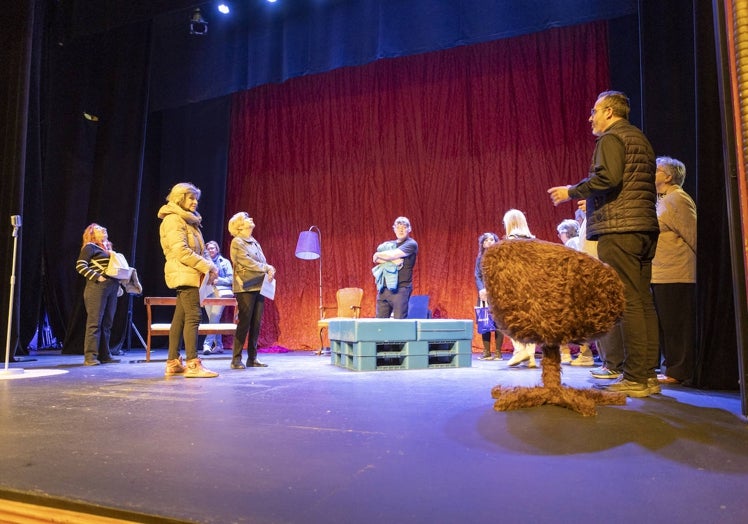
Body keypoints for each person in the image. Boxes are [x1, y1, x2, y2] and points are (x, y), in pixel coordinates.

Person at [548, 90, 660, 397]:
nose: (591, 117)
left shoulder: (612, 138)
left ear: (609, 112)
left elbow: (608, 178)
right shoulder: (639, 138)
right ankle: (647, 375)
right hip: (643, 227)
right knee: (643, 302)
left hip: (620, 228)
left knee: (630, 303)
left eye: (595, 111)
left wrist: (572, 190)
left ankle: (636, 377)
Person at [158, 182, 219, 378]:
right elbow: (181, 251)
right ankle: (193, 364)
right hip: (184, 272)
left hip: (193, 273)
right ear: (179, 198)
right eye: (190, 198)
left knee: (180, 318)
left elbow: (201, 251)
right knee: (194, 316)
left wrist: (212, 267)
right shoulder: (173, 220)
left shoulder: (190, 221)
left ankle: (173, 362)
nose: (194, 202)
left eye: (196, 199)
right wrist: (208, 266)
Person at [651, 156, 697, 385]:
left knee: (676, 324)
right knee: (666, 324)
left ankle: (678, 371)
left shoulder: (678, 199)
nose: (652, 173)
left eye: (656, 170)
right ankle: (670, 367)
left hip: (677, 273)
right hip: (661, 273)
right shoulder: (663, 200)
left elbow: (694, 235)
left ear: (668, 176)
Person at [228, 212, 275, 369]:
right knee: (245, 322)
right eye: (247, 218)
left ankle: (252, 358)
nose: (252, 219)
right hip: (245, 287)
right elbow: (246, 262)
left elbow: (261, 261)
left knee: (256, 323)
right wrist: (266, 268)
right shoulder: (237, 242)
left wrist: (268, 269)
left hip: (259, 286)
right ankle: (236, 359)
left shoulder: (254, 241)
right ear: (240, 225)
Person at [75, 224, 122, 366]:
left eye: (104, 228)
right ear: (92, 234)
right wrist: (97, 277)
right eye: (99, 229)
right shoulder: (90, 247)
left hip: (111, 287)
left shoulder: (107, 250)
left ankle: (105, 354)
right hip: (97, 287)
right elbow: (80, 265)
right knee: (94, 323)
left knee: (107, 323)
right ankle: (90, 356)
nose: (104, 229)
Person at [554, 218, 596, 366]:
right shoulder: (580, 242)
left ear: (565, 232)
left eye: (560, 233)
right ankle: (579, 354)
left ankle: (579, 355)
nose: (559, 237)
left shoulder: (572, 243)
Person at [501, 209, 538, 368]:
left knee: (510, 318)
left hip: (515, 284)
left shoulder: (510, 240)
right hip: (533, 285)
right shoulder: (533, 241)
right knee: (530, 320)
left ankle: (520, 350)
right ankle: (530, 357)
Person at [373, 216, 418, 319]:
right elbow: (375, 258)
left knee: (399, 325)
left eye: (404, 227)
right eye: (398, 227)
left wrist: (385, 256)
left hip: (400, 289)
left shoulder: (411, 244)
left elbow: (391, 255)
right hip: (384, 289)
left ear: (409, 229)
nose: (401, 230)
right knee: (380, 326)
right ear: (394, 229)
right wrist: (393, 260)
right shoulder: (389, 245)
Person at [202, 240, 234, 355]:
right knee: (213, 319)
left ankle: (207, 345)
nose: (210, 250)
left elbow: (231, 279)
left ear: (217, 249)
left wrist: (218, 280)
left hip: (220, 294)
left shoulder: (224, 262)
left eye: (212, 248)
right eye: (208, 248)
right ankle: (219, 345)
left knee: (214, 317)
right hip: (207, 292)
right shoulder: (204, 262)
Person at [475, 232, 501, 360]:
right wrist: (482, 289)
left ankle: (498, 352)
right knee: (484, 320)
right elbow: (477, 275)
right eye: (487, 240)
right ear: (483, 244)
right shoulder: (480, 258)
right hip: (483, 294)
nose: (490, 242)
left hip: (497, 293)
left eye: (492, 239)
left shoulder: (500, 258)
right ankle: (486, 352)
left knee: (498, 322)